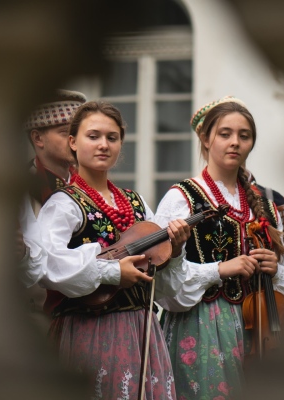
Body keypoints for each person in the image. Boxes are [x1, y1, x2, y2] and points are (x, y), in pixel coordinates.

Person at [25, 101, 191, 399]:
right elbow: (49, 265)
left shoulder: (136, 202)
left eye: (112, 138)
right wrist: (112, 271)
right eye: (93, 136)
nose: (103, 144)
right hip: (90, 328)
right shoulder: (63, 203)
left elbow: (162, 284)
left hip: (142, 329)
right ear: (73, 142)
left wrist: (175, 251)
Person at [154, 96, 284, 399]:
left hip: (258, 326)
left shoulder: (267, 206)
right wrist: (218, 269)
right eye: (225, 134)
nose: (235, 142)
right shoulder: (182, 198)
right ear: (206, 140)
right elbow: (162, 284)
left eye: (244, 136)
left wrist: (275, 270)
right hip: (201, 327)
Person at [17, 89, 86, 331]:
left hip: (87, 315)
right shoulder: (19, 191)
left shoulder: (88, 186)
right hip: (33, 320)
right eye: (66, 133)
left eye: (79, 133)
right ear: (38, 138)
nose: (76, 141)